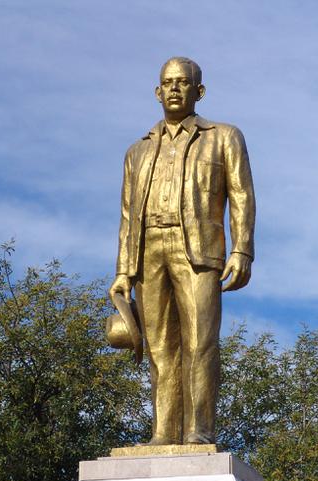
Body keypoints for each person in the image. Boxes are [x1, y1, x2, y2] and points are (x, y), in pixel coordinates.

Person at [109, 56, 255, 445]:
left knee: (200, 342)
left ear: (199, 91)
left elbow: (241, 195)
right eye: (168, 83)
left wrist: (242, 250)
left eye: (183, 82)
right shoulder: (136, 152)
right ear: (158, 92)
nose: (174, 88)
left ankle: (199, 431)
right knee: (158, 347)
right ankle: (163, 432)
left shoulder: (224, 136)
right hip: (148, 251)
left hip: (199, 250)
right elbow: (127, 216)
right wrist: (123, 270)